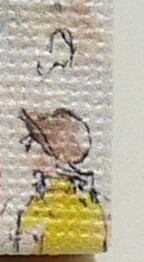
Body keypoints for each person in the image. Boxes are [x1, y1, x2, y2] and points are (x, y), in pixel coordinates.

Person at [15, 106, 108, 252]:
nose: (24, 144)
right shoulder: (86, 199)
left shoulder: (47, 204)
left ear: (52, 156)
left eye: (32, 142)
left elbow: (27, 249)